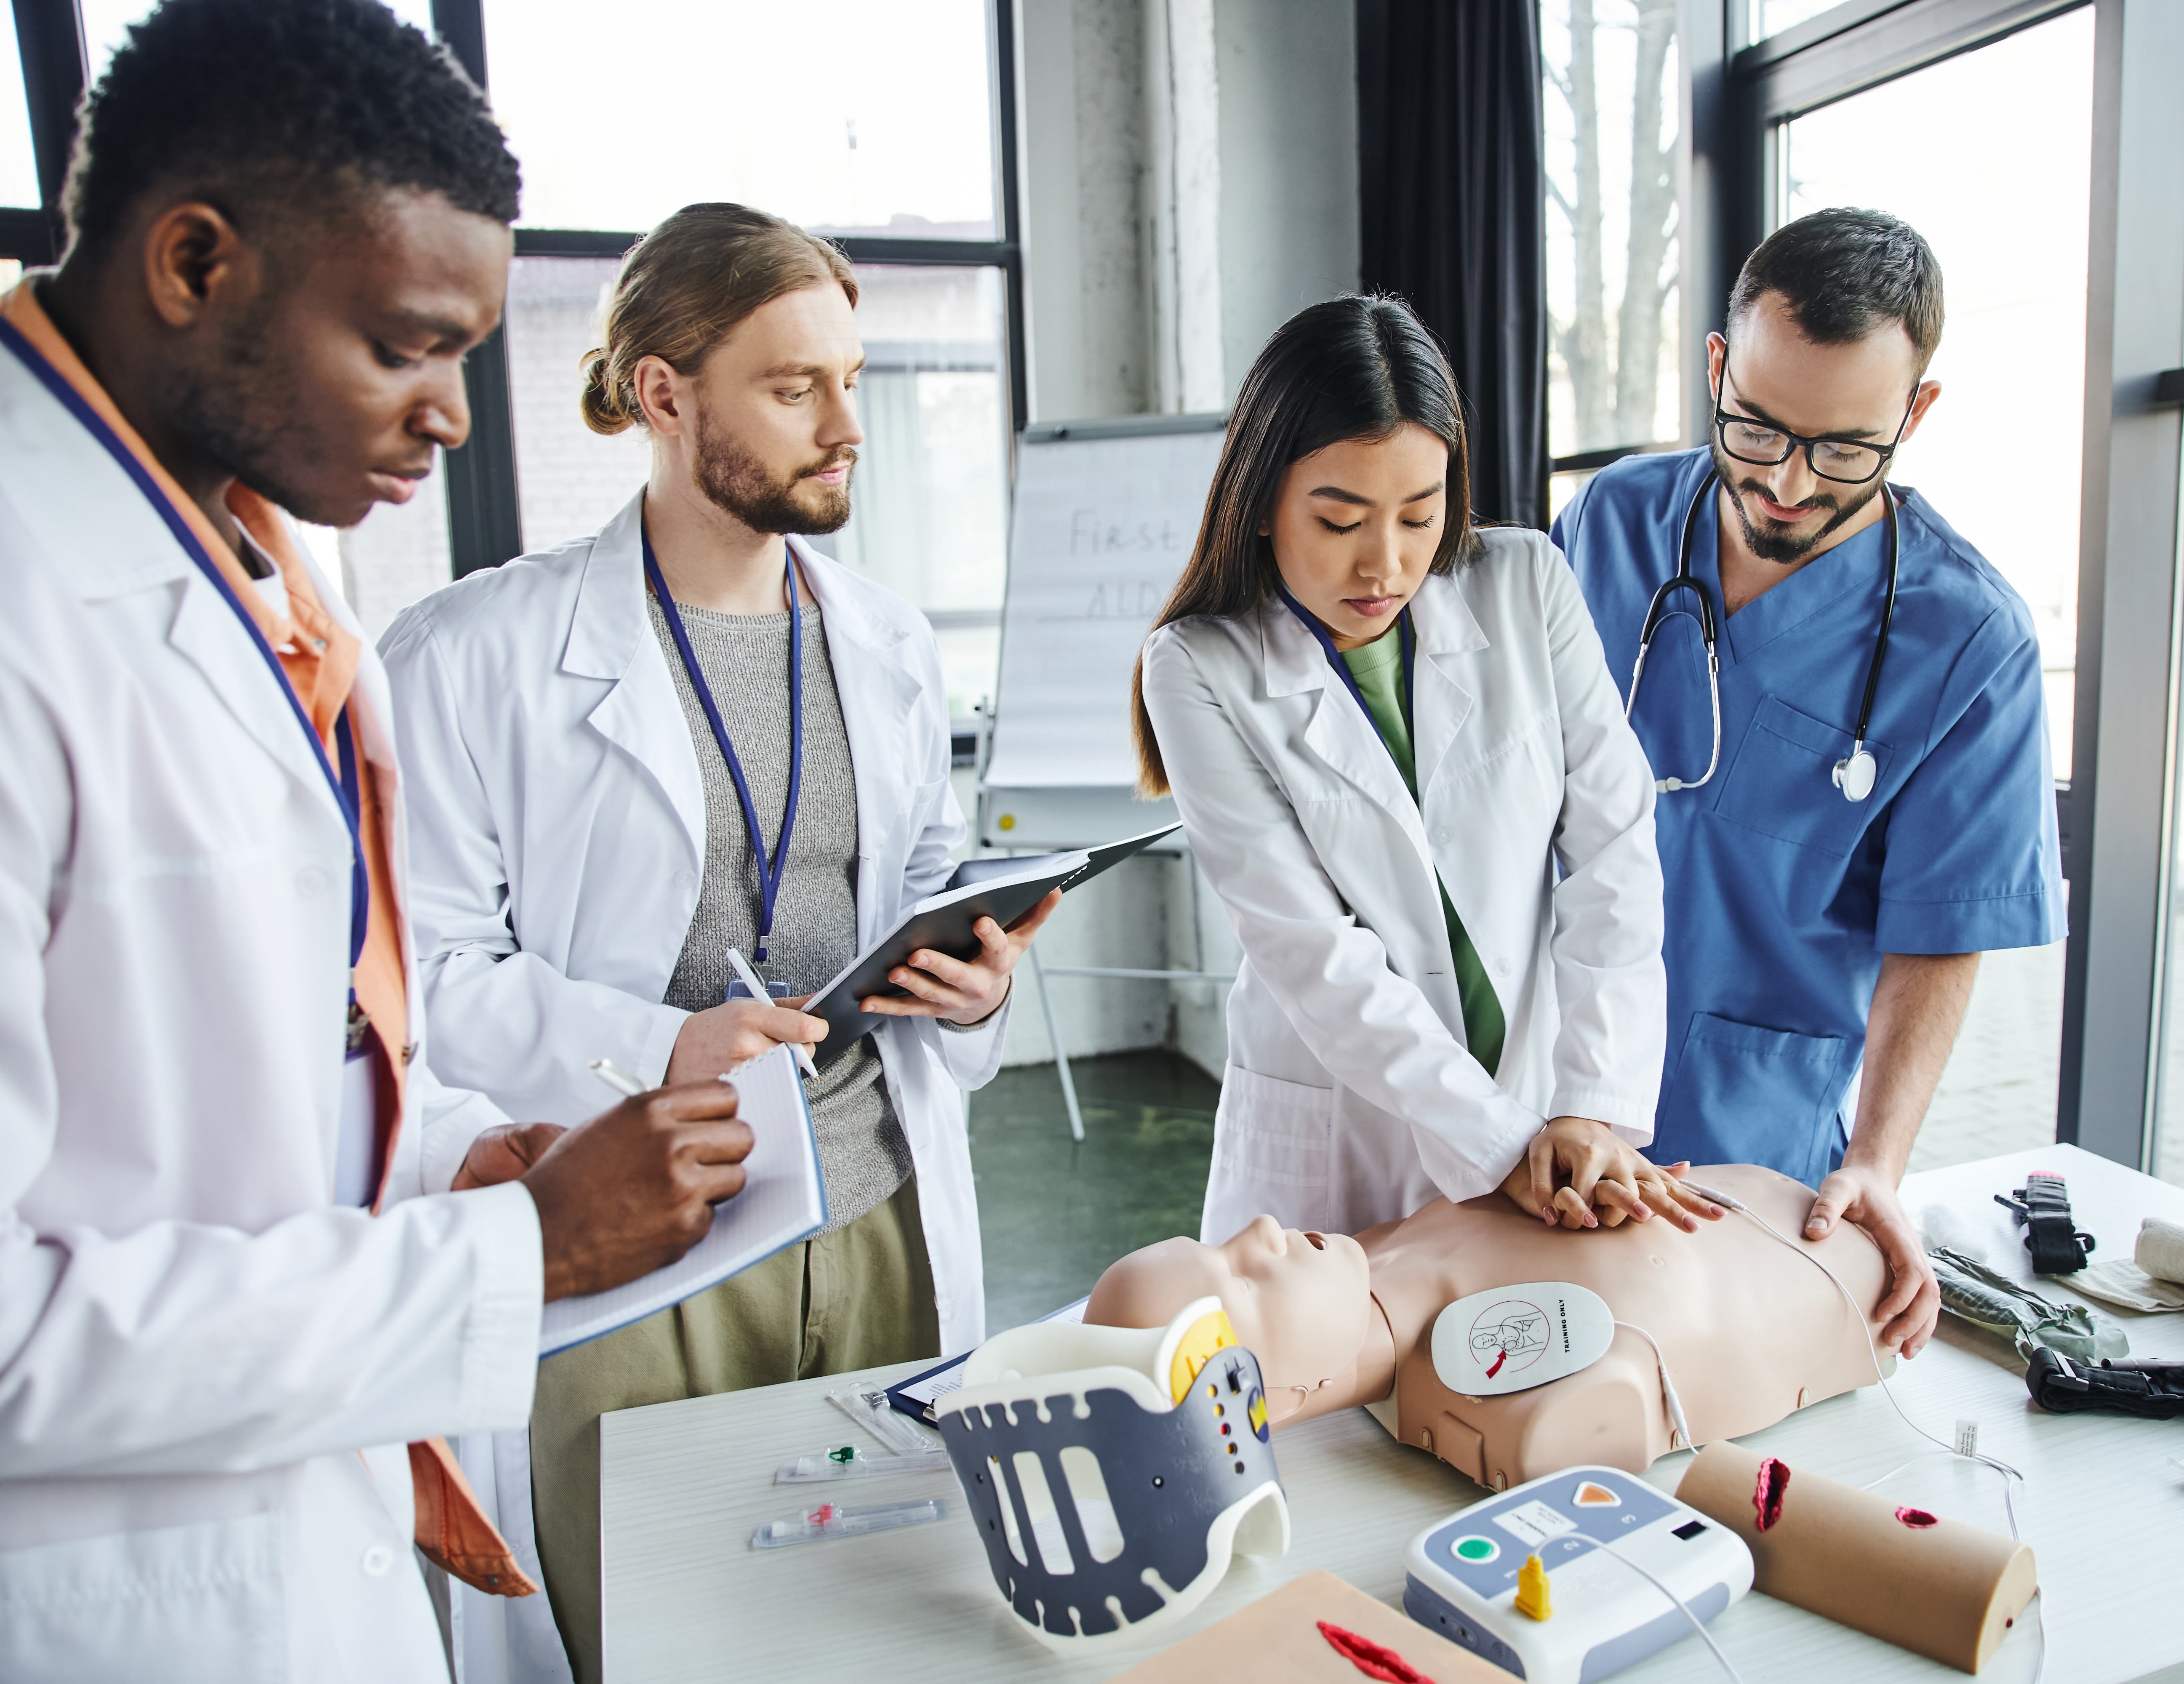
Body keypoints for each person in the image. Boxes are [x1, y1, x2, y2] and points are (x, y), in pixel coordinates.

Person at [0, 3, 758, 1678]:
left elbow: (242, 1067)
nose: (455, 417)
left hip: (284, 1529)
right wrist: (518, 1250)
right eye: (406, 347)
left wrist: (456, 1160)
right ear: (196, 262)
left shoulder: (250, 559)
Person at [380, 201, 1055, 1681]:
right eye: (794, 386)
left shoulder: (884, 640)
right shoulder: (471, 657)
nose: (845, 426)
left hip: (875, 1209)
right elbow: (420, 989)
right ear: (661, 394)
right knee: (654, 1630)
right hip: (648, 1232)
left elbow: (928, 868)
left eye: (854, 383)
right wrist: (659, 1043)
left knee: (879, 1622)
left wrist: (978, 977)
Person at [1553, 208, 2066, 1362]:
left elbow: (1940, 935)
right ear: (1719, 366)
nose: (1787, 482)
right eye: (1757, 428)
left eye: (1845, 448)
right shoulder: (1609, 524)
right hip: (1546, 1093)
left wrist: (1877, 1162)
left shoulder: (1970, 641)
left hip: (1749, 1133)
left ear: (1915, 413)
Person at [1131, 296, 1721, 1245]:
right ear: (1263, 501)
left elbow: (1615, 853)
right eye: (1340, 519)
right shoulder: (1199, 665)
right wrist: (1508, 1146)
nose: (1386, 563)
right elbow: (1314, 952)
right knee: (1321, 1382)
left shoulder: (1527, 584)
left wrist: (1588, 1107)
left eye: (1420, 513)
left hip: (1544, 1114)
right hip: (1341, 1139)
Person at [1085, 1164, 1889, 1489]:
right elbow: (1595, 1427)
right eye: (1244, 1280)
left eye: (1223, 1245)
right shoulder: (1476, 1388)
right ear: (1276, 1401)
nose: (1261, 1230)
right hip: (1841, 1283)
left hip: (1809, 1217)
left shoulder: (1372, 1256)